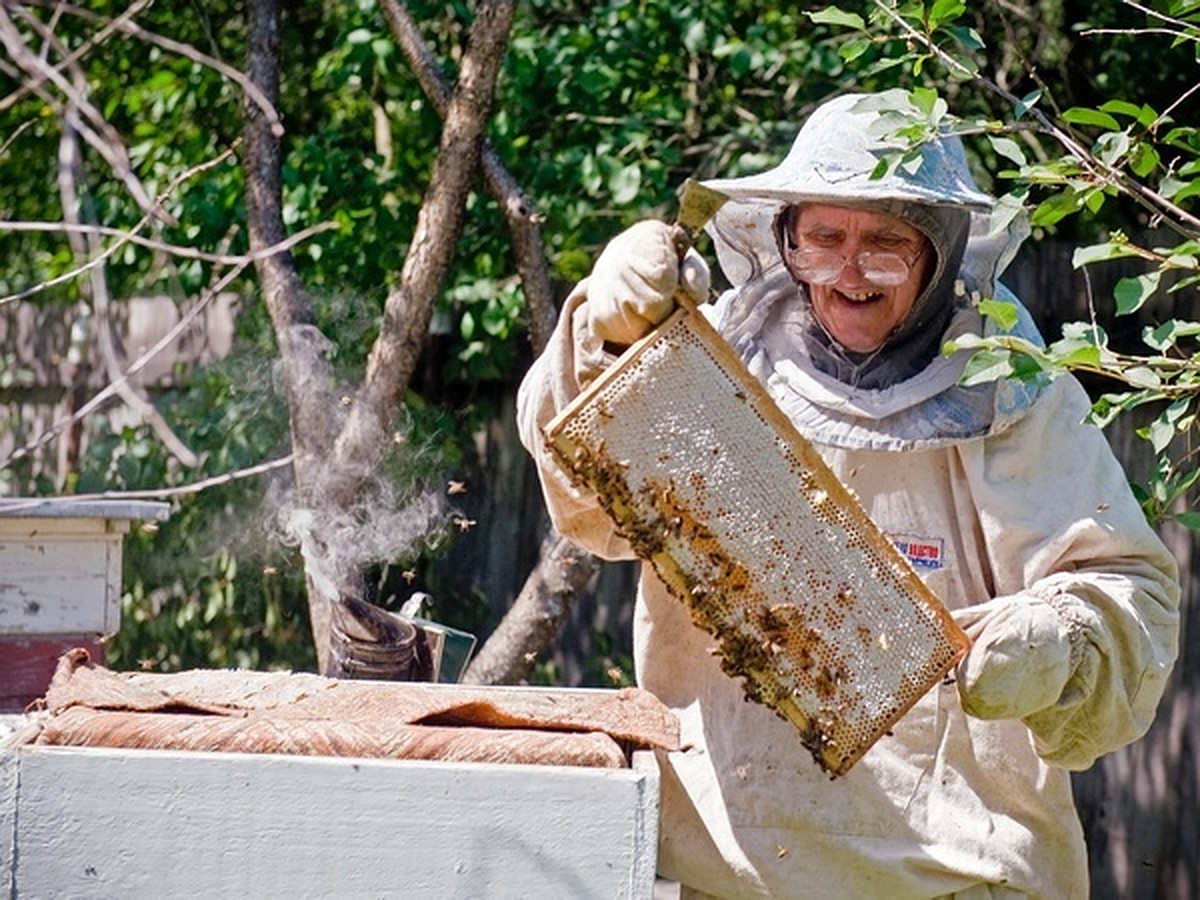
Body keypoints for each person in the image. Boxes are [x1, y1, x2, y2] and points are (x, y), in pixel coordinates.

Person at [516, 90, 1181, 899]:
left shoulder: (1014, 396)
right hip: (729, 868)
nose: (850, 272)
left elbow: (1135, 597)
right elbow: (590, 505)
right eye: (823, 239)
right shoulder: (715, 356)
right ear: (783, 239)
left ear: (941, 254)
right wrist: (605, 330)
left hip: (958, 874)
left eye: (886, 244)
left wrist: (1062, 638)